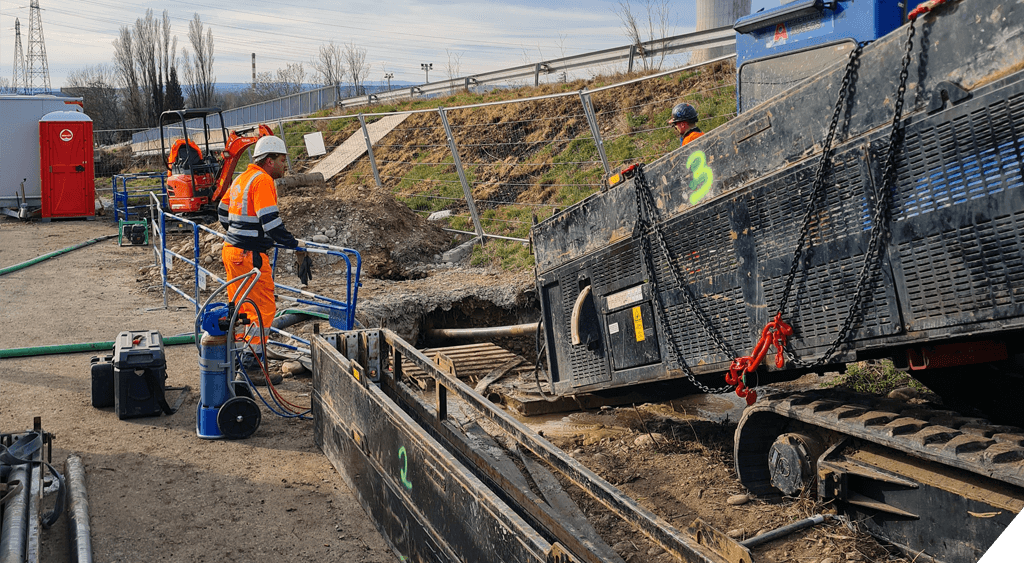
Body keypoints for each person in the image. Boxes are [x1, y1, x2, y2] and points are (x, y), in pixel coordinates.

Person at [218, 135, 304, 385]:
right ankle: (251, 367)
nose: (284, 165)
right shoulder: (263, 181)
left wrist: (237, 231)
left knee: (240, 309)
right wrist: (294, 243)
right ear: (269, 161)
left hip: (232, 252)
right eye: (282, 160)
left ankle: (234, 360)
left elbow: (222, 211)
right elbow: (271, 222)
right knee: (263, 310)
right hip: (250, 256)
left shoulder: (241, 178)